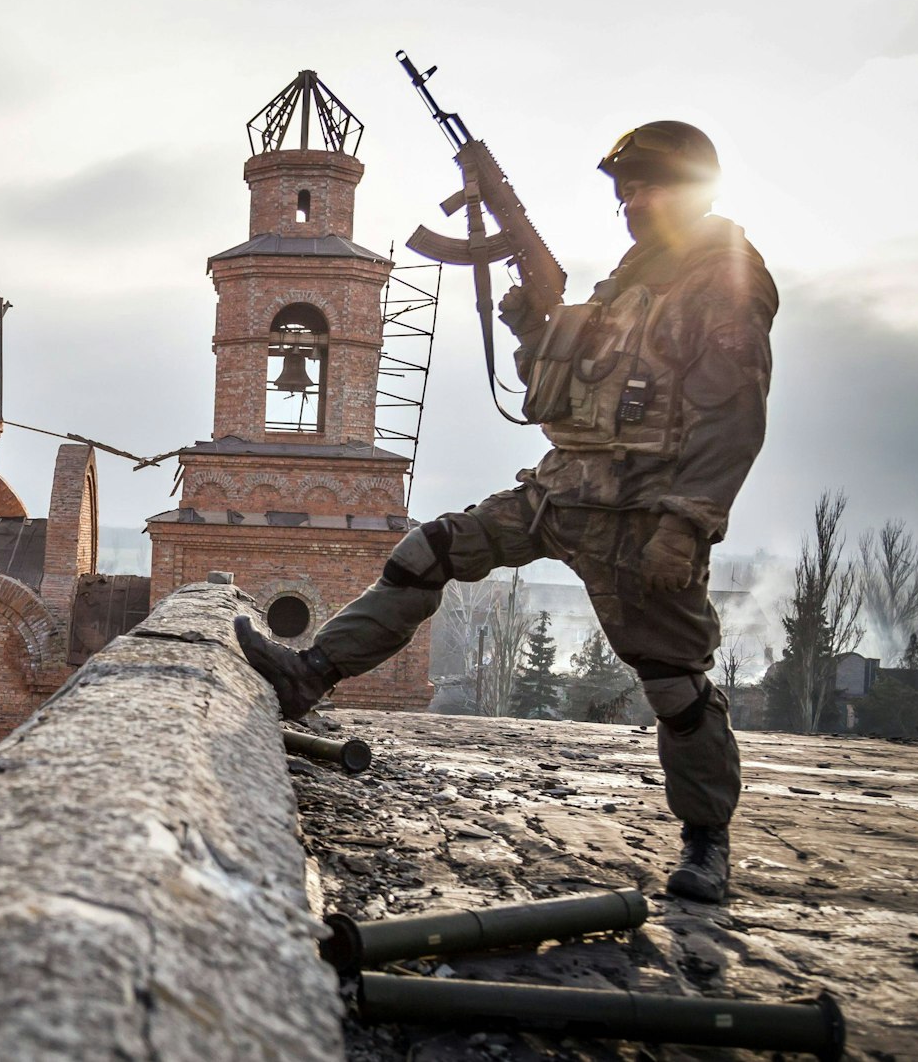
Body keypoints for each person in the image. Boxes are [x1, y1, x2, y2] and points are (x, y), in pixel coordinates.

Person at [235, 121, 777, 903]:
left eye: (648, 186)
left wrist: (688, 521)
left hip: (643, 510)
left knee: (674, 685)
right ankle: (309, 677)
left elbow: (734, 416)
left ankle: (706, 840)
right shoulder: (631, 280)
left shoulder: (722, 280)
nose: (631, 201)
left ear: (694, 190)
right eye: (624, 189)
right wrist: (536, 326)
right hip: (560, 490)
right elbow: (561, 391)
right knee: (428, 551)